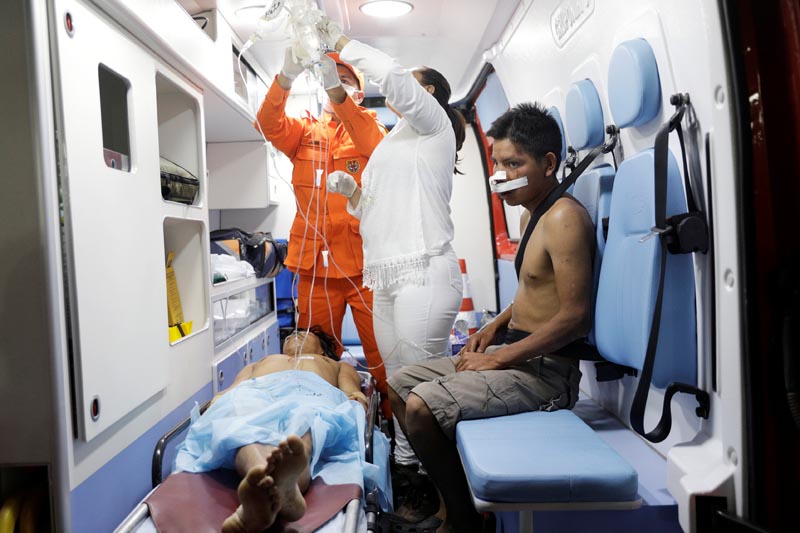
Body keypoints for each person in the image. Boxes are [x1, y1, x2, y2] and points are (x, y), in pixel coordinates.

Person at [384, 103, 596, 532]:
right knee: (398, 386)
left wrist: (500, 357)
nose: (498, 173)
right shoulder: (530, 213)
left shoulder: (565, 219)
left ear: (548, 163)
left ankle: (461, 521)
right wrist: (494, 327)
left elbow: (576, 316)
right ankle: (458, 503)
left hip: (547, 374)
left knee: (423, 408)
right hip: (518, 354)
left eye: (512, 163)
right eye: (496, 162)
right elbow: (537, 289)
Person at [317, 19, 467, 524]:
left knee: (422, 392)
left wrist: (339, 44)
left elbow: (394, 77)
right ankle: (408, 474)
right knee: (395, 385)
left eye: (410, 84)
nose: (398, 91)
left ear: (425, 93)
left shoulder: (434, 125)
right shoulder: (392, 144)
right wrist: (352, 193)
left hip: (426, 271)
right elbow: (374, 214)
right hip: (387, 275)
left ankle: (445, 491)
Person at [254, 47, 390, 418]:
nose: (336, 86)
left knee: (381, 353)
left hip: (364, 270)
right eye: (331, 79)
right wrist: (285, 76)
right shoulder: (305, 132)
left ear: (358, 93)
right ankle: (318, 422)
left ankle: (396, 432)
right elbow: (267, 124)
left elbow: (372, 140)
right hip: (315, 271)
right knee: (313, 355)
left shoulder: (370, 131)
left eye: (345, 80)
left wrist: (338, 94)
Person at [174, 327, 391, 533]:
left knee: (309, 423)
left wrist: (359, 401)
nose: (294, 335)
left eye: (304, 334)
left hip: (312, 395)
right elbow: (230, 392)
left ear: (323, 349)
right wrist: (218, 405)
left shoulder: (335, 365)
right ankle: (273, 486)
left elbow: (352, 394)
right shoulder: (260, 363)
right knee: (238, 424)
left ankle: (274, 485)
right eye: (289, 336)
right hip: (256, 393)